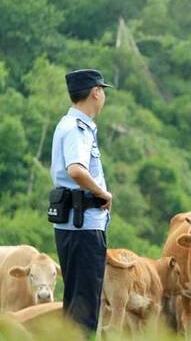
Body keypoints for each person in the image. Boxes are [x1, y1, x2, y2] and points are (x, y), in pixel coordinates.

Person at [50, 69, 113, 333]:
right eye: (103, 91)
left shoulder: (67, 124)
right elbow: (76, 169)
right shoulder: (78, 128)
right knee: (85, 308)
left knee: (75, 303)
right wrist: (102, 192)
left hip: (72, 225)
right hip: (83, 227)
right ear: (96, 92)